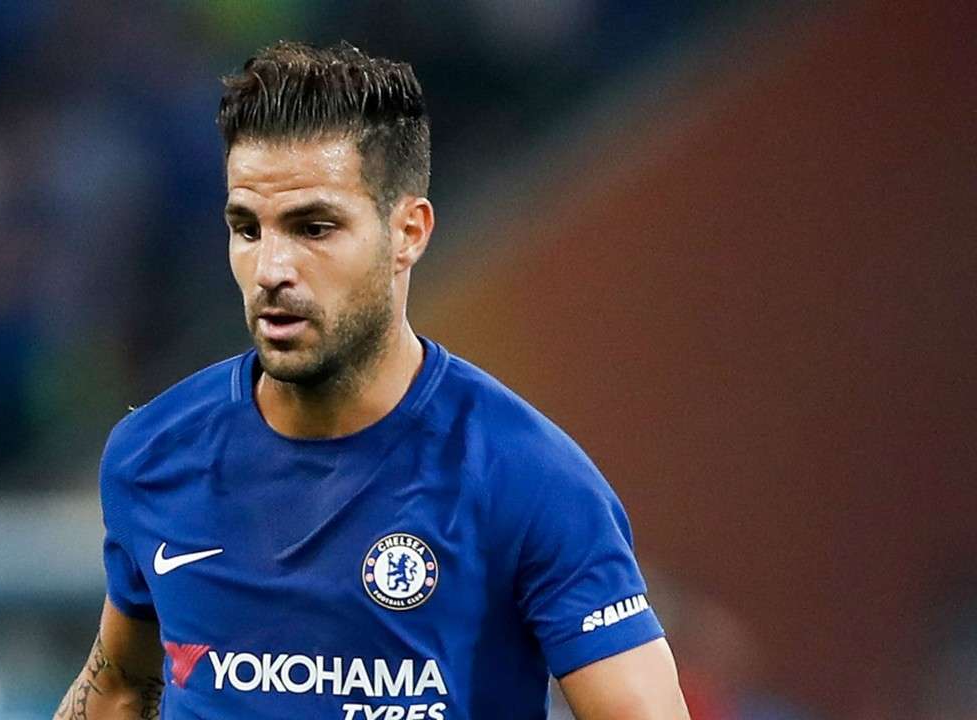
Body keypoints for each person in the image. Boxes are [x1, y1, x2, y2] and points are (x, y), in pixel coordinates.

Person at [55, 40, 689, 720]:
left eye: (314, 227)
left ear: (408, 232)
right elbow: (120, 688)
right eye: (247, 228)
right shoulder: (153, 454)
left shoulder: (528, 479)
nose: (271, 269)